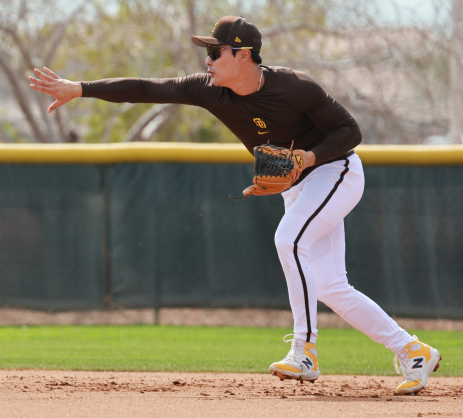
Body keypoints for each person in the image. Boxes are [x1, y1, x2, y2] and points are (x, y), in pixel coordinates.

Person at [28, 16, 441, 395]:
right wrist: (80, 89)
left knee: (288, 240)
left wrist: (308, 159)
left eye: (215, 51)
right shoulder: (209, 91)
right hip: (298, 185)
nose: (207, 60)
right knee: (331, 286)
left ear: (243, 55)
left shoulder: (295, 87)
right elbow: (145, 88)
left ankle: (305, 351)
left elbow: (351, 131)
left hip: (335, 172)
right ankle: (413, 350)